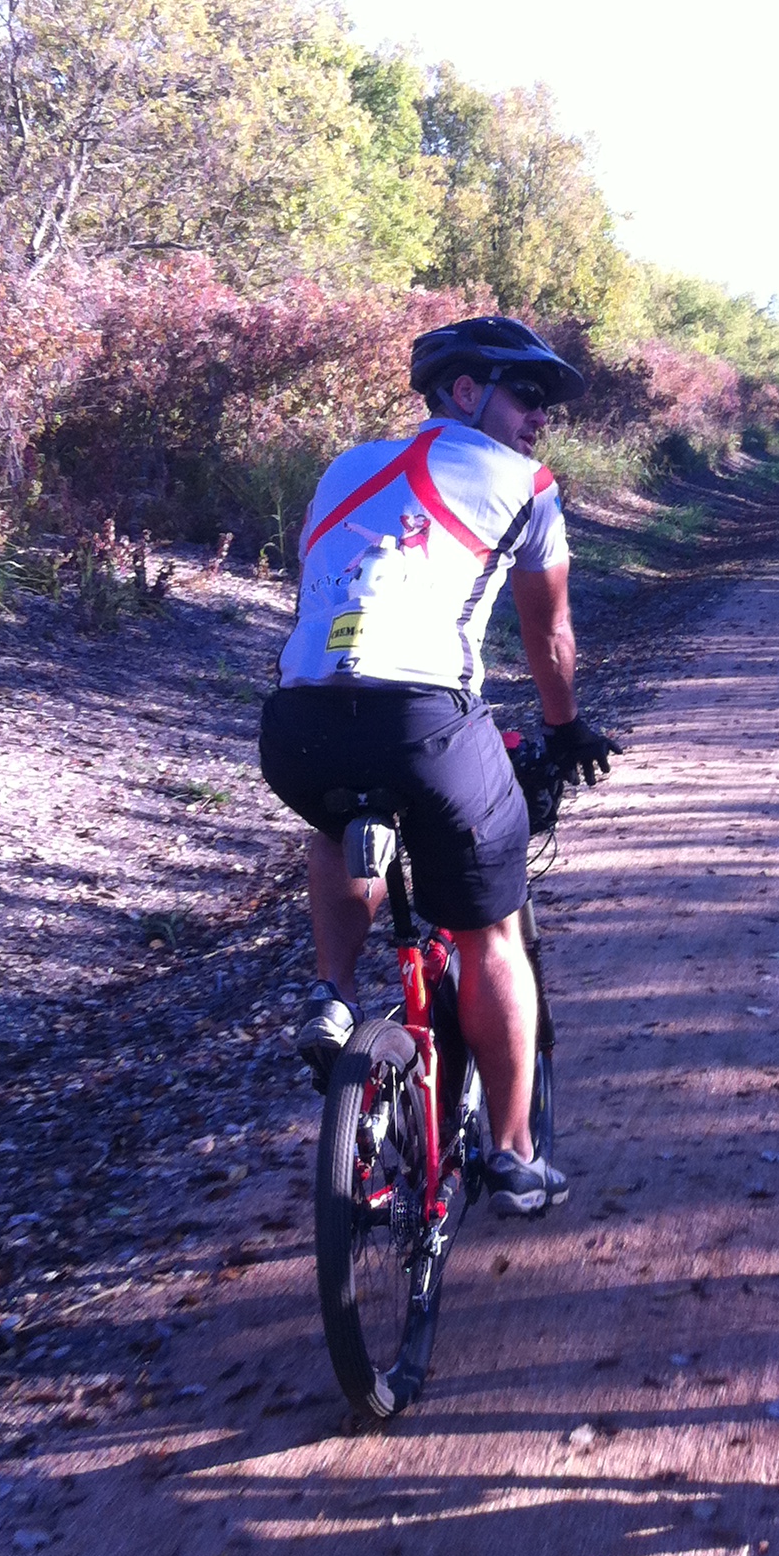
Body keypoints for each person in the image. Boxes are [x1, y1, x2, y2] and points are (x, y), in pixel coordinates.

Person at [259, 315, 618, 1218]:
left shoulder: (343, 467)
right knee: (489, 934)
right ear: (465, 391)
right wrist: (566, 728)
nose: (542, 417)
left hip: (297, 723)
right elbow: (549, 633)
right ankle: (514, 1153)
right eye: (527, 395)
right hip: (424, 720)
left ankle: (334, 995)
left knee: (335, 815)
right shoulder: (527, 485)